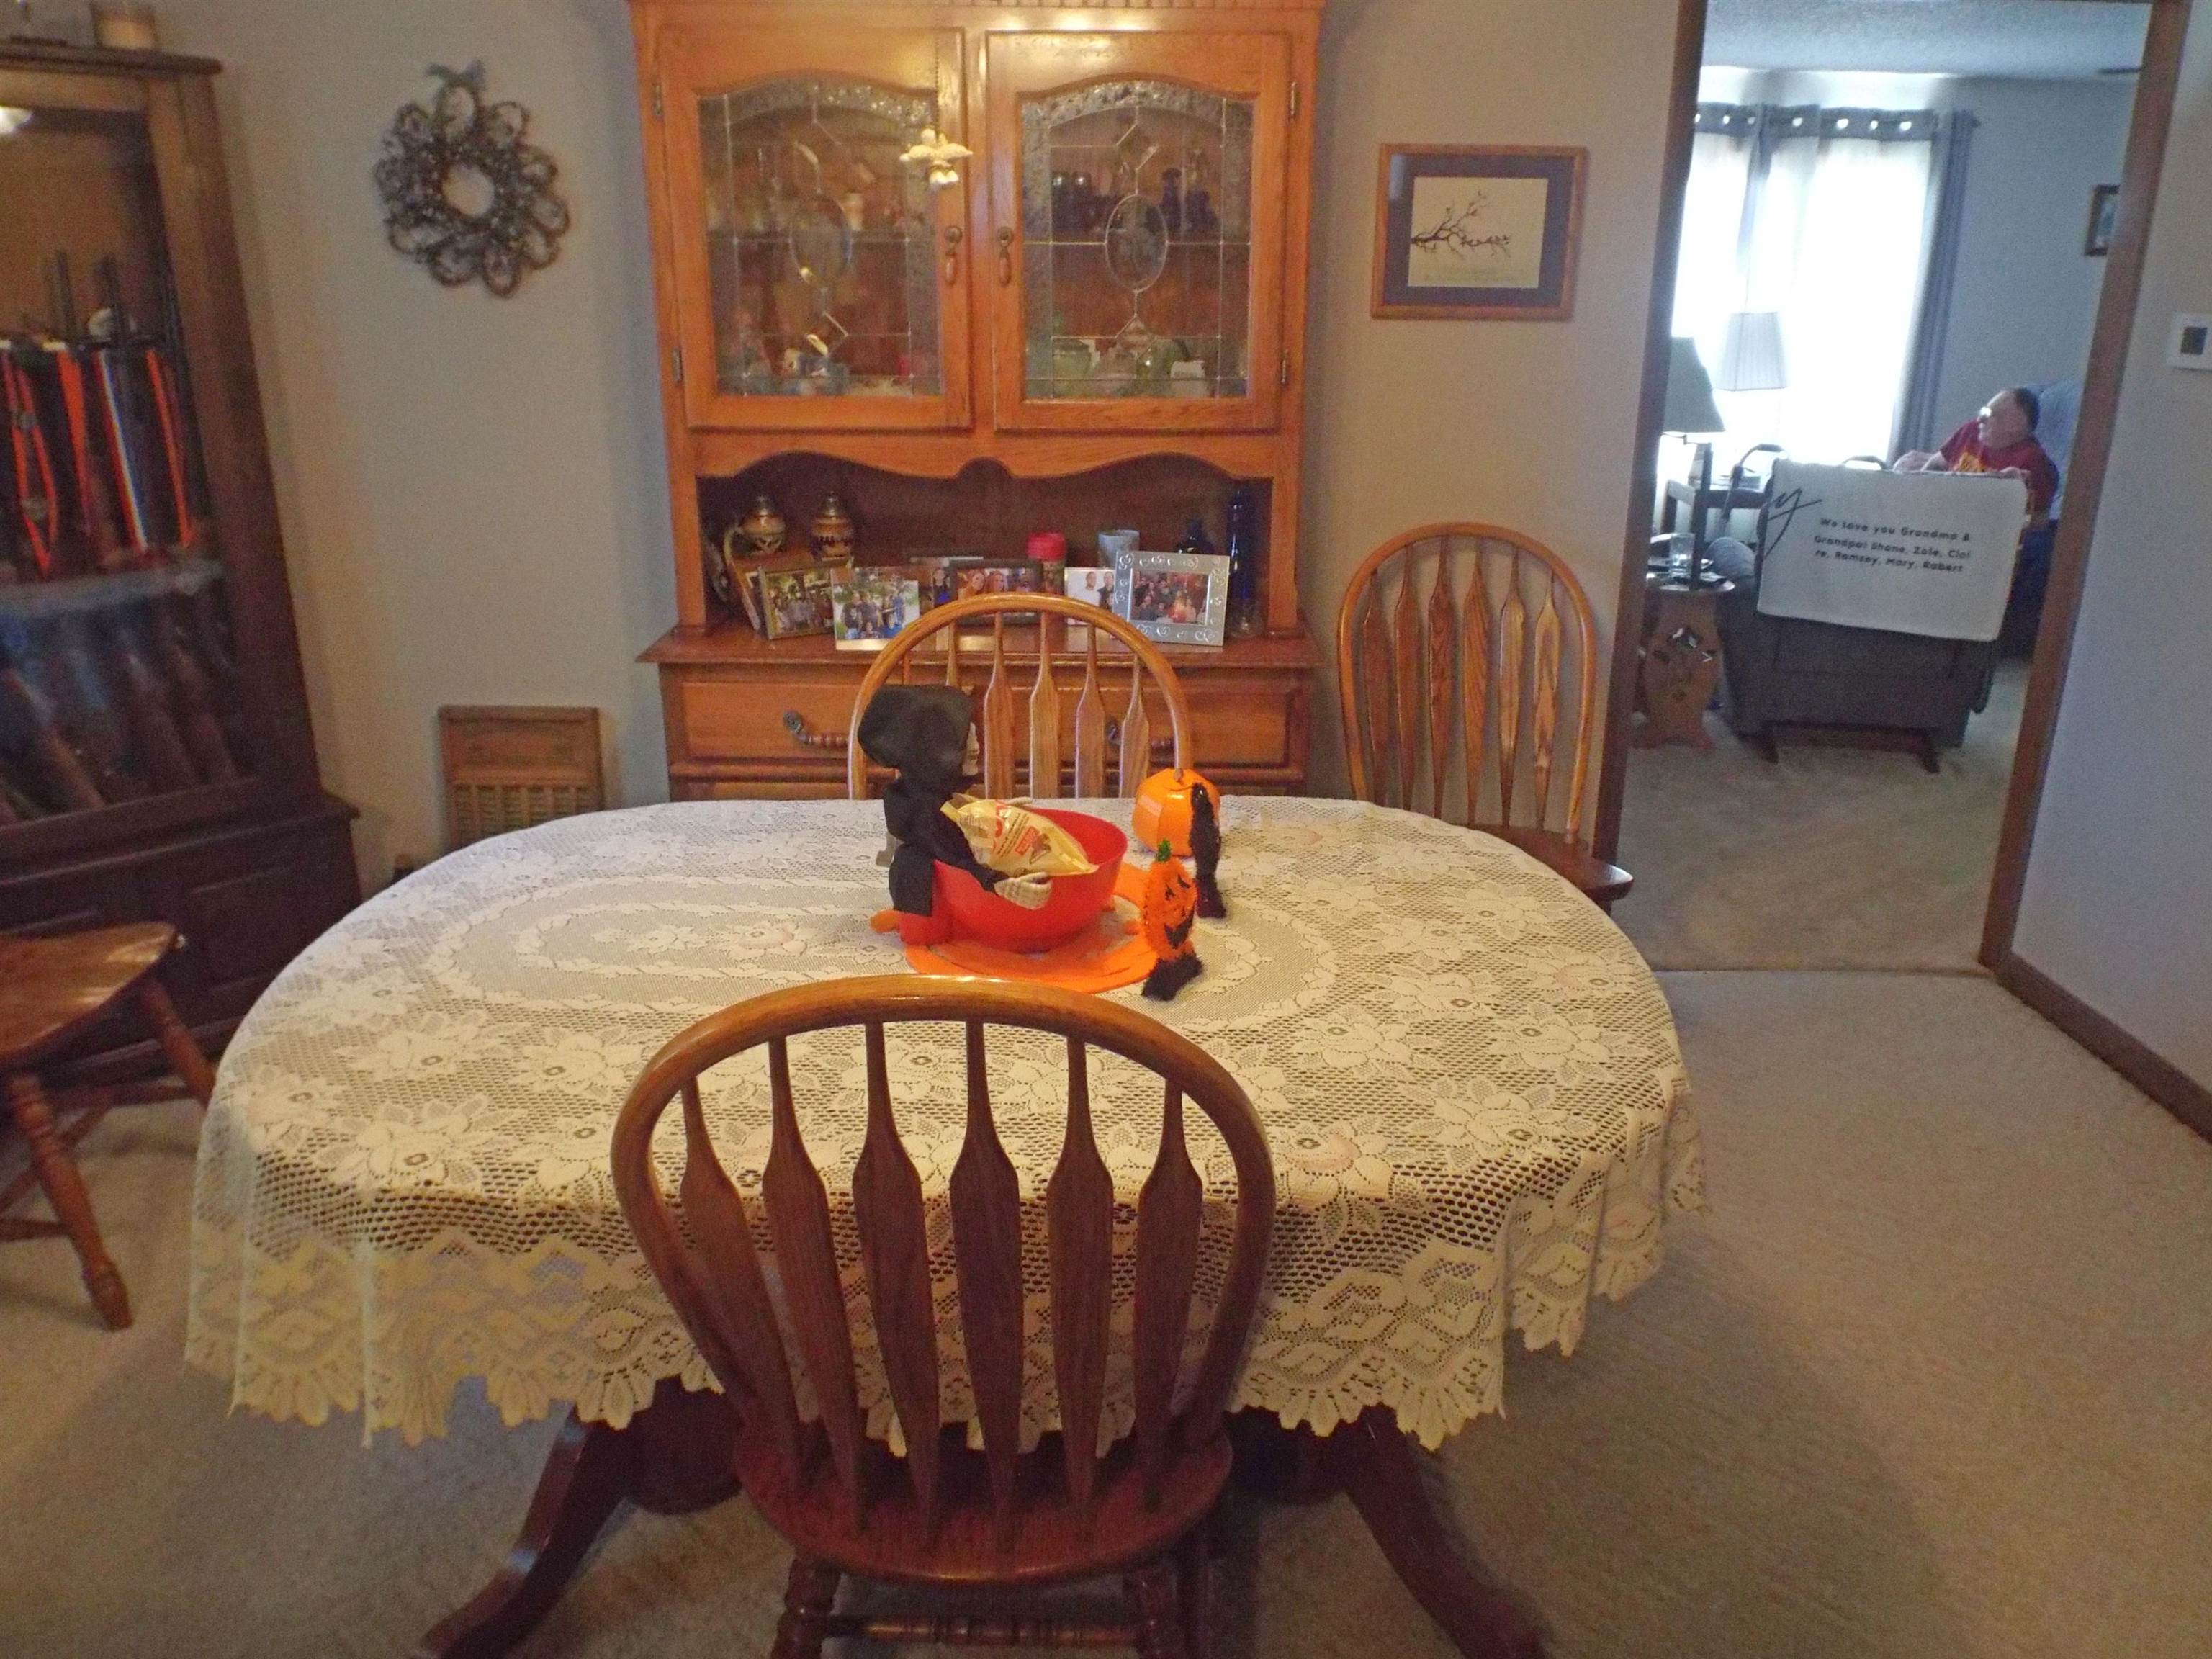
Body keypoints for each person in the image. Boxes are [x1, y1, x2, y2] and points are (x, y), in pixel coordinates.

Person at [1893, 387, 2059, 526]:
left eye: (1989, 414)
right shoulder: (1970, 431)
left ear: (2017, 424)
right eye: (1982, 412)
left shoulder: (2035, 462)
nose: (1980, 419)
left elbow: (2038, 521)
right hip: (1937, 517)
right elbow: (1937, 463)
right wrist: (1913, 495)